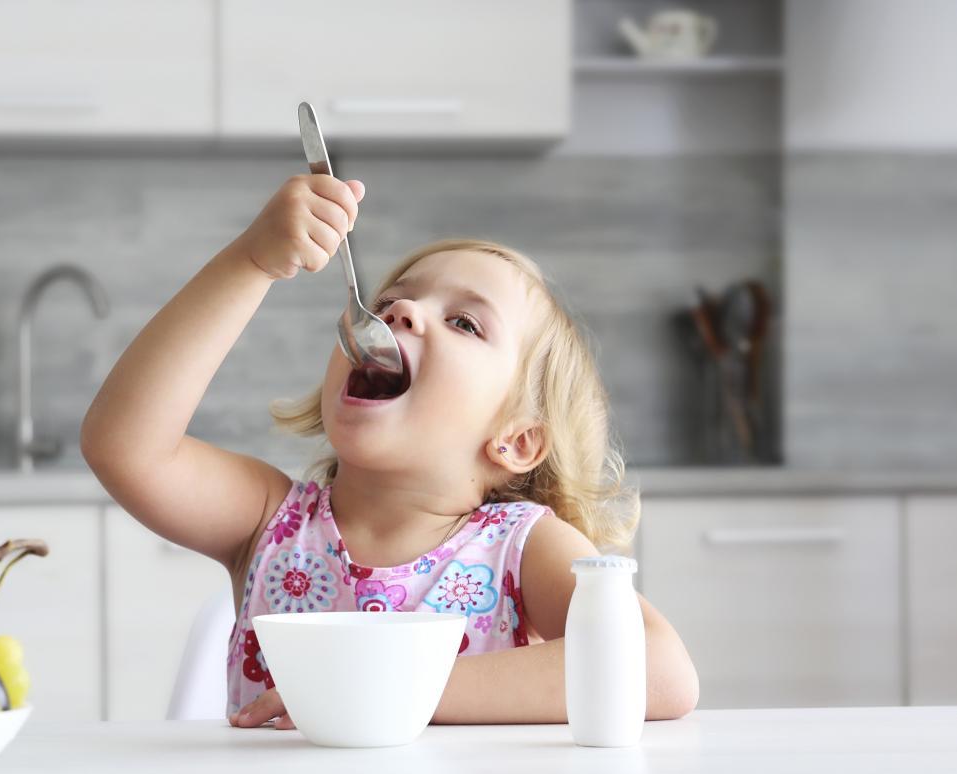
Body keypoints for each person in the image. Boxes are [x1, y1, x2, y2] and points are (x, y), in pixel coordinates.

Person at [81, 174, 699, 728]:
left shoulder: (522, 546)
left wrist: (383, 692)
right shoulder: (269, 522)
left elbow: (660, 672)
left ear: (517, 439)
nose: (401, 310)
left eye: (464, 323)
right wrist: (252, 261)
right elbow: (124, 446)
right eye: (386, 303)